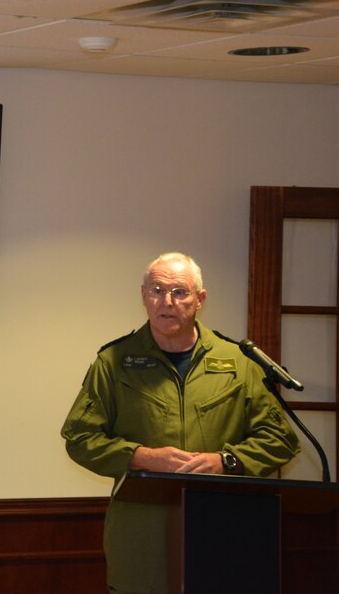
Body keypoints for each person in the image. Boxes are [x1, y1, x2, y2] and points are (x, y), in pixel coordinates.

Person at [60, 252, 300, 594]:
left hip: (225, 527)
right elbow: (79, 438)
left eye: (180, 292)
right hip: (143, 531)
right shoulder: (114, 362)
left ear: (200, 299)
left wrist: (226, 461)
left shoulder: (236, 361)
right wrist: (140, 456)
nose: (167, 302)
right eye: (157, 290)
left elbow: (280, 439)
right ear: (143, 296)